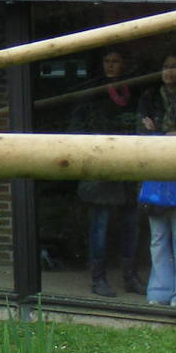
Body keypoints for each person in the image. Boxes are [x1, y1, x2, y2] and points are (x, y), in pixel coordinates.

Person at [70, 48, 142, 297]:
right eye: (107, 61)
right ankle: (98, 279)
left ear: (123, 64)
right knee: (99, 227)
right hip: (99, 171)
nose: (111, 65)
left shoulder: (133, 92)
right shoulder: (91, 93)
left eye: (116, 61)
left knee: (130, 226)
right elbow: (76, 129)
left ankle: (130, 276)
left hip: (127, 170)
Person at [136, 54, 176, 308]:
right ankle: (159, 292)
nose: (169, 72)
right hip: (156, 175)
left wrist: (159, 133)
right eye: (165, 66)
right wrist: (171, 134)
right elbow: (142, 131)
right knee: (158, 238)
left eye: (174, 66)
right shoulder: (150, 97)